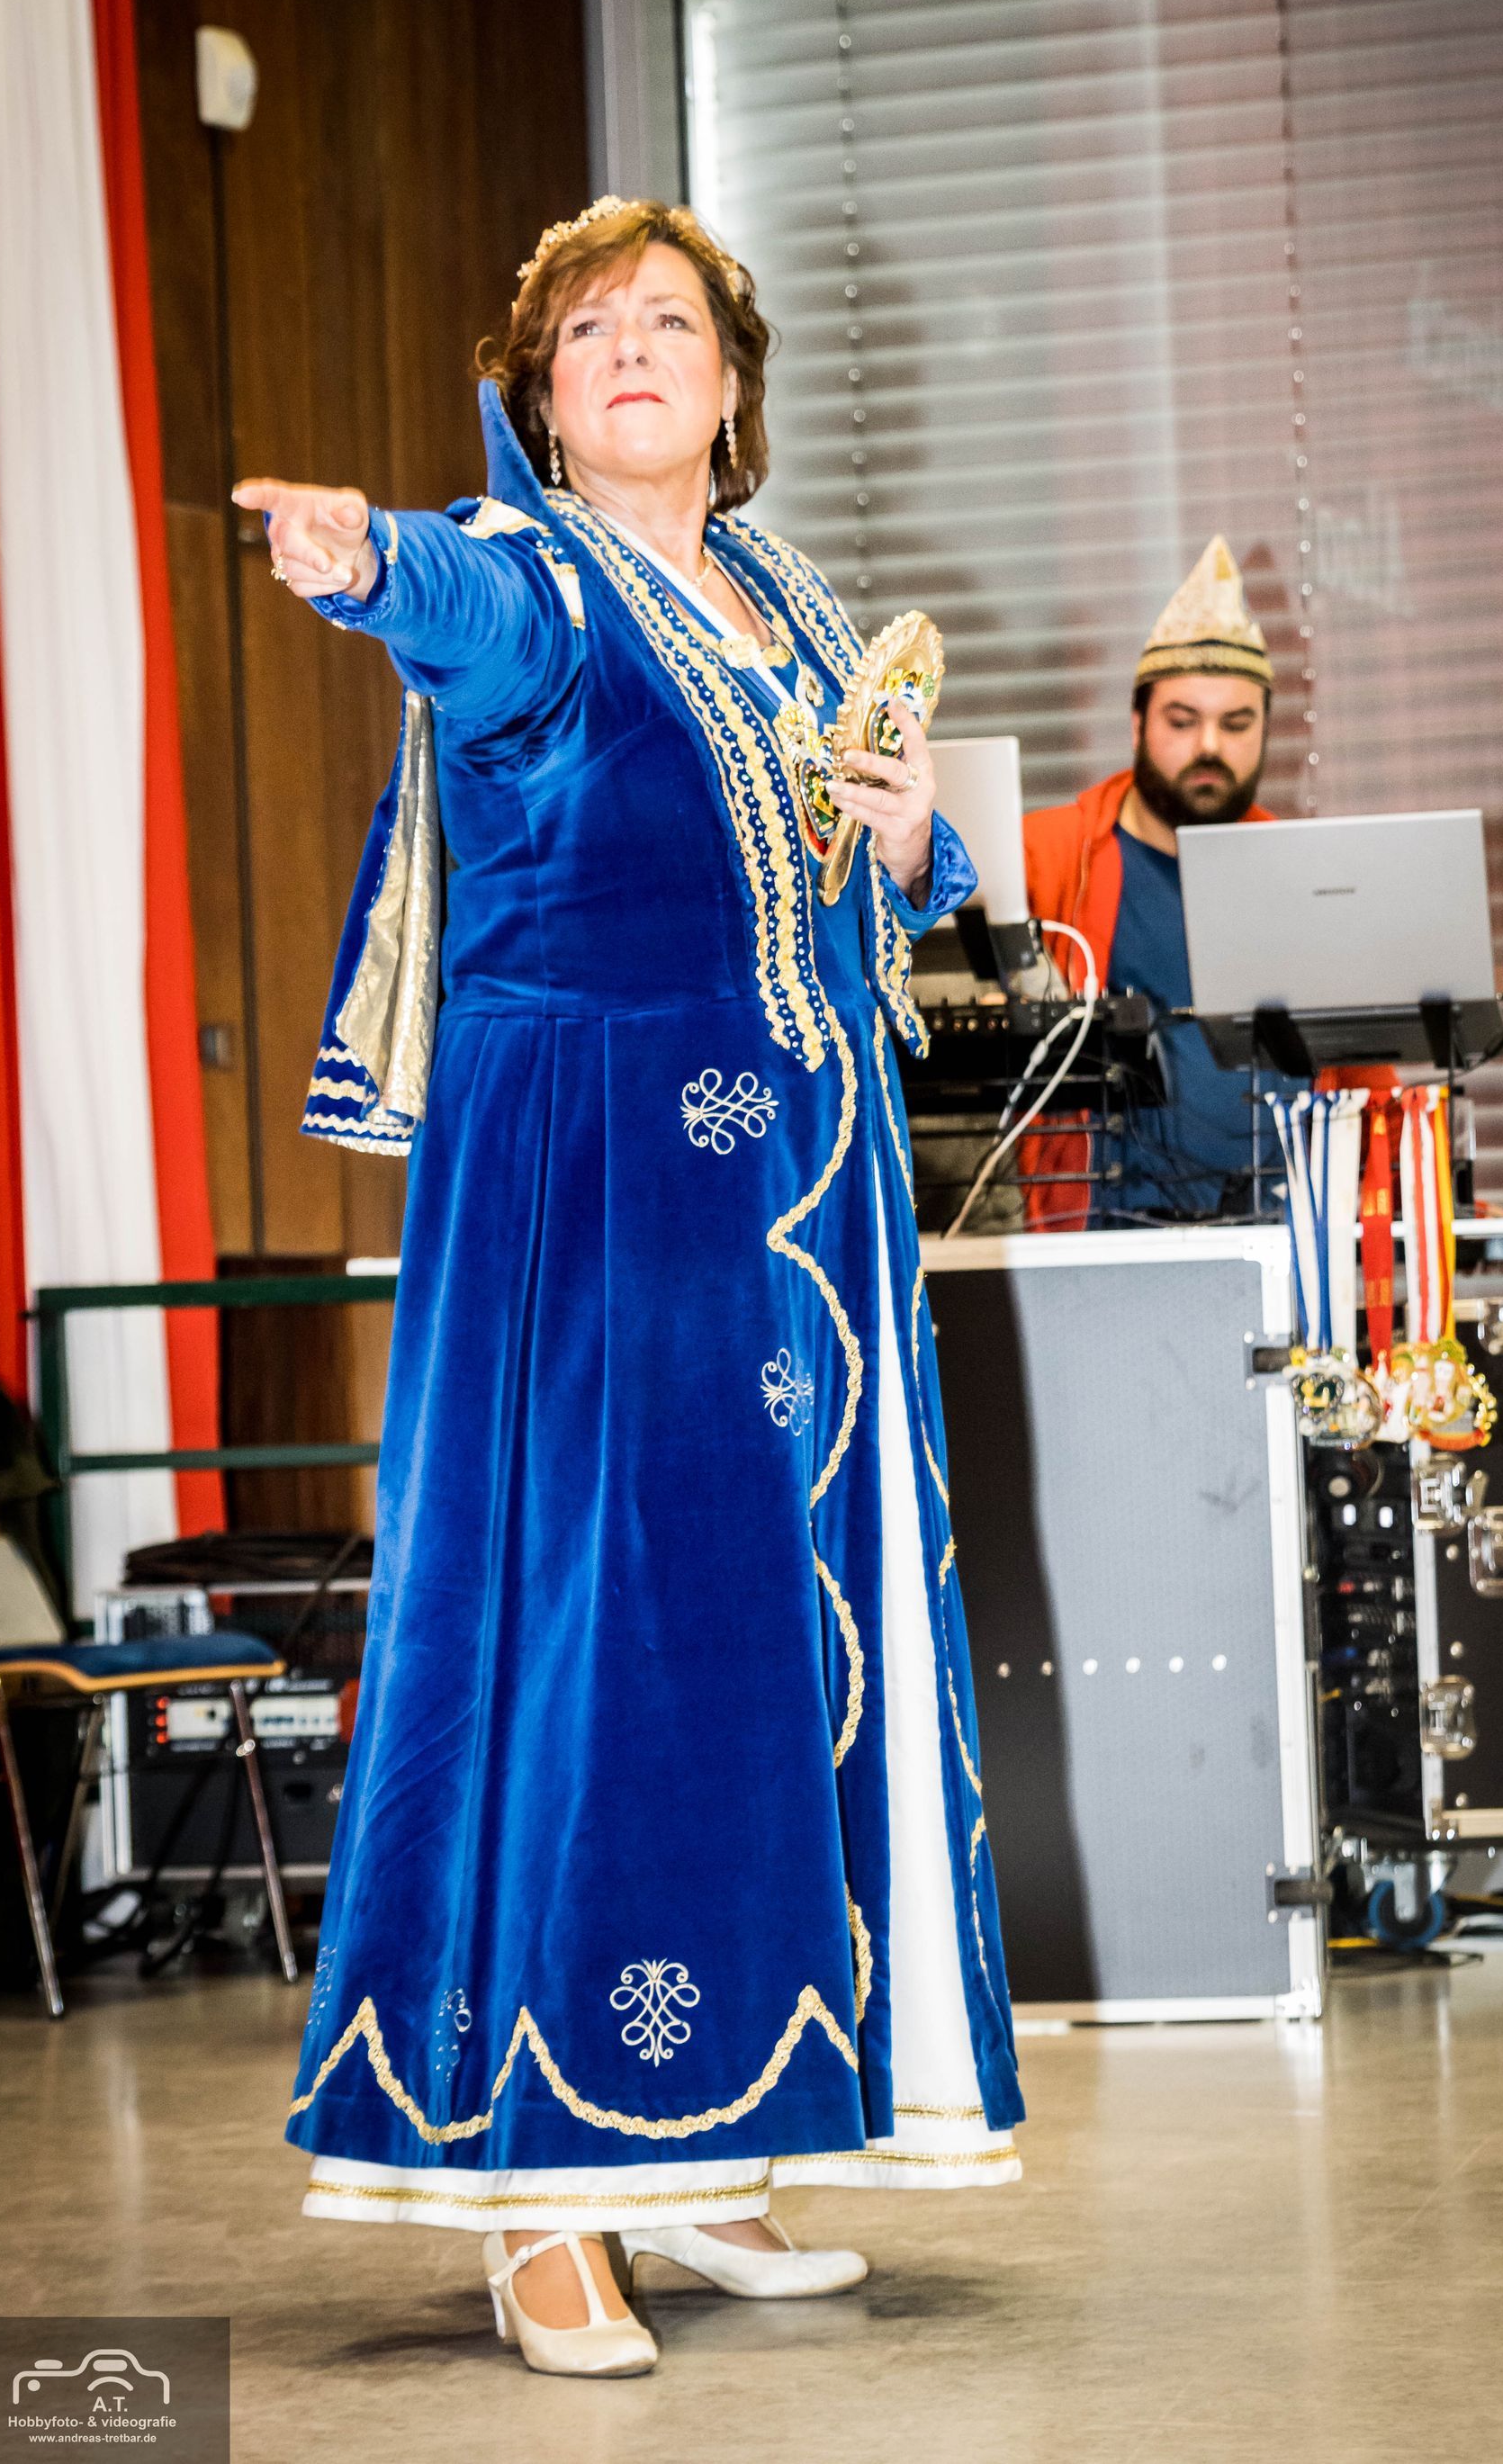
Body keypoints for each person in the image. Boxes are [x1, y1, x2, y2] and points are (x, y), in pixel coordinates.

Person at [233, 196, 1021, 2384]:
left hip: (799, 1198)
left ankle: (700, 2136)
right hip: (597, 1191)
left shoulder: (787, 599)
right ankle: (540, 2188)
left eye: (670, 318)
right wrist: (365, 561)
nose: (633, 347)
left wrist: (910, 837)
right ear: (542, 395)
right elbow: (468, 624)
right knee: (602, 1650)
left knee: (759, 1657)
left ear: (734, 384)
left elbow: (877, 870)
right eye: (589, 329)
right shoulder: (547, 577)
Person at [1022, 536, 1276, 1222]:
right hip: (1104, 1239)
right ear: (1137, 725)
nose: (1210, 747)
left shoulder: (1297, 871)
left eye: (1236, 724)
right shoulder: (1049, 855)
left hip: (1279, 1235)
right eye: (1183, 721)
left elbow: (1359, 1071)